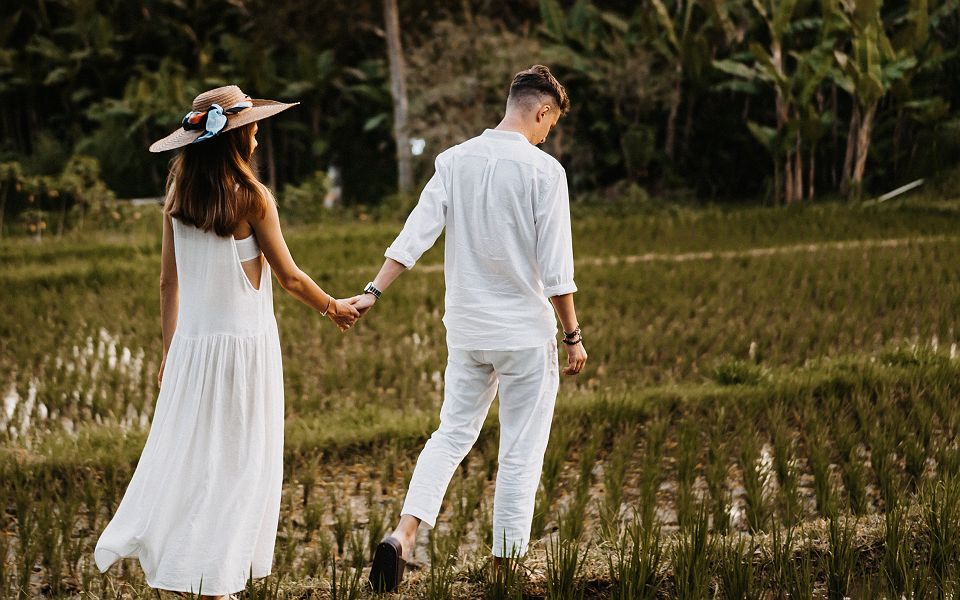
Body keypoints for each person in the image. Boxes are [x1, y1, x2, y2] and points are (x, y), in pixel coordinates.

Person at [93, 85, 359, 599]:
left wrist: (170, 352)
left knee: (197, 464)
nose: (257, 140)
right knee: (239, 466)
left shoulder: (177, 201)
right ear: (232, 139)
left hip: (193, 350)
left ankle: (204, 576)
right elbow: (290, 278)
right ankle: (215, 584)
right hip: (242, 353)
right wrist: (334, 307)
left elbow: (168, 283)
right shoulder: (252, 199)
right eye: (253, 131)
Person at [351, 65, 587, 592]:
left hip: (468, 333)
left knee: (451, 434)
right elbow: (556, 269)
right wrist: (571, 334)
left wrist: (373, 291)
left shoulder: (454, 161)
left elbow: (416, 233)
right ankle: (503, 569)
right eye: (551, 124)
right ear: (542, 111)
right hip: (525, 337)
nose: (549, 134)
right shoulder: (545, 173)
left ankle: (405, 534)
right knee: (521, 449)